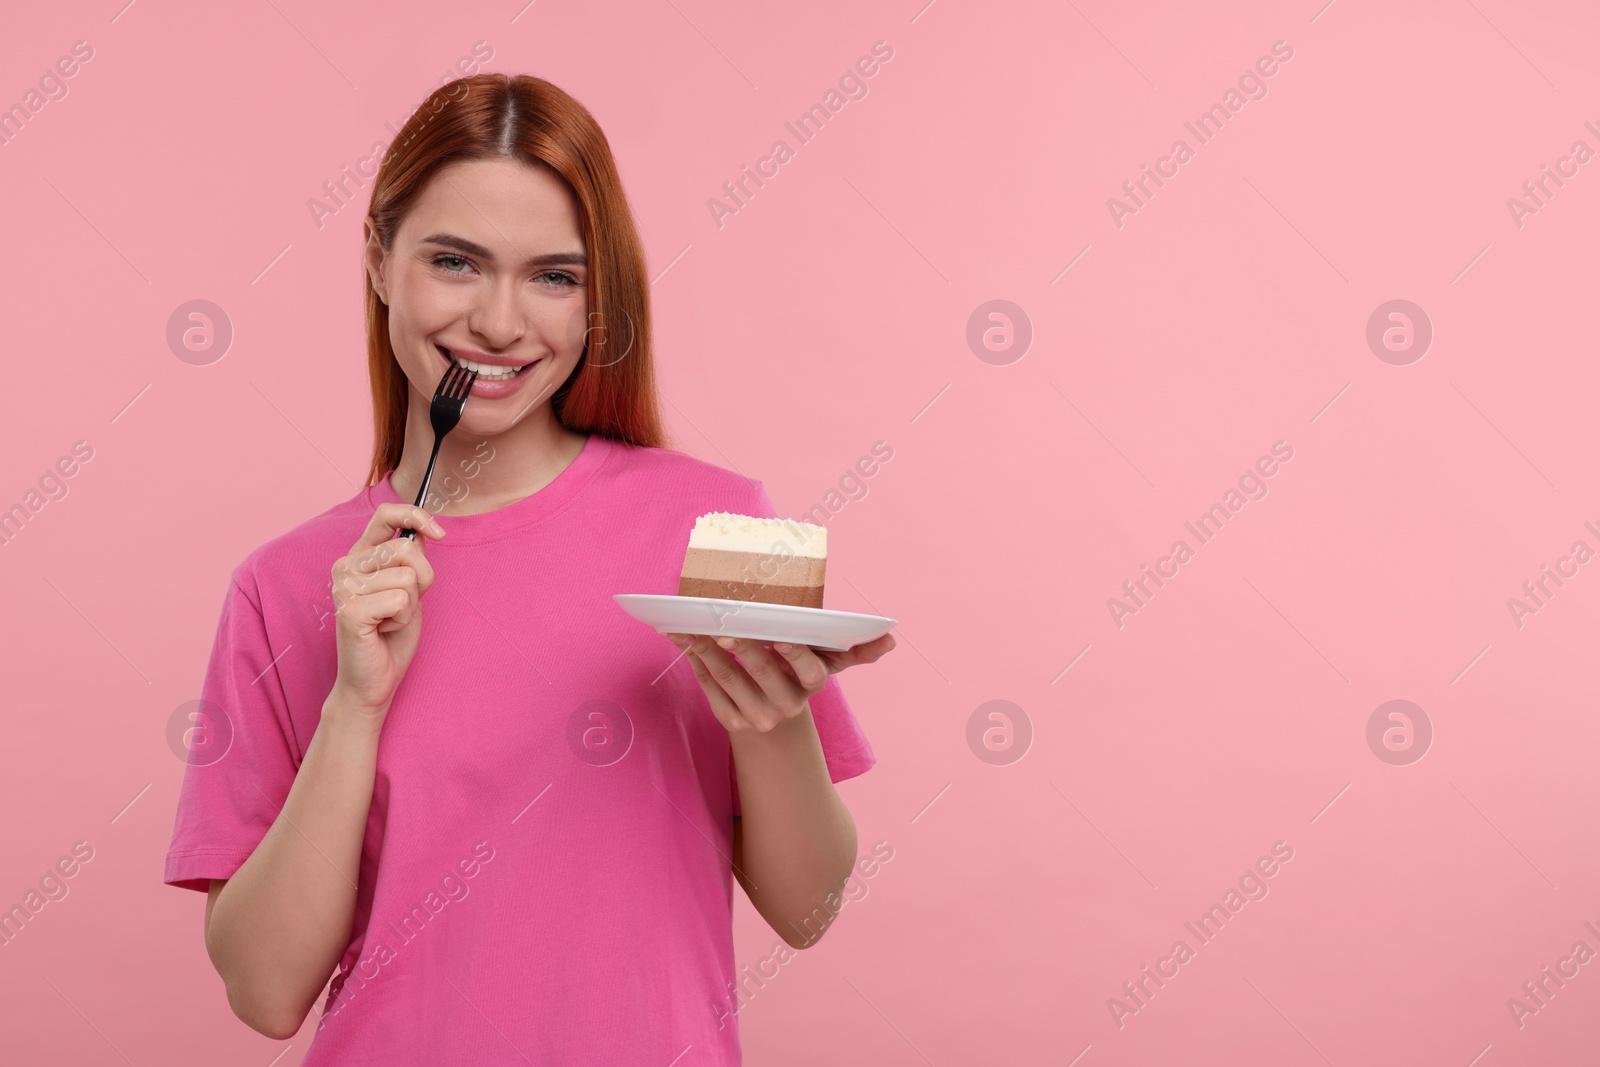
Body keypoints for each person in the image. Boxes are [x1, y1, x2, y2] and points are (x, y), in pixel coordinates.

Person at [163, 72, 895, 1064]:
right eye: (456, 262)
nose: (501, 323)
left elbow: (807, 909)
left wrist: (770, 726)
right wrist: (353, 705)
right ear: (378, 259)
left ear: (600, 298)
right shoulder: (289, 584)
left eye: (554, 276)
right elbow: (263, 988)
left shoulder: (706, 528)